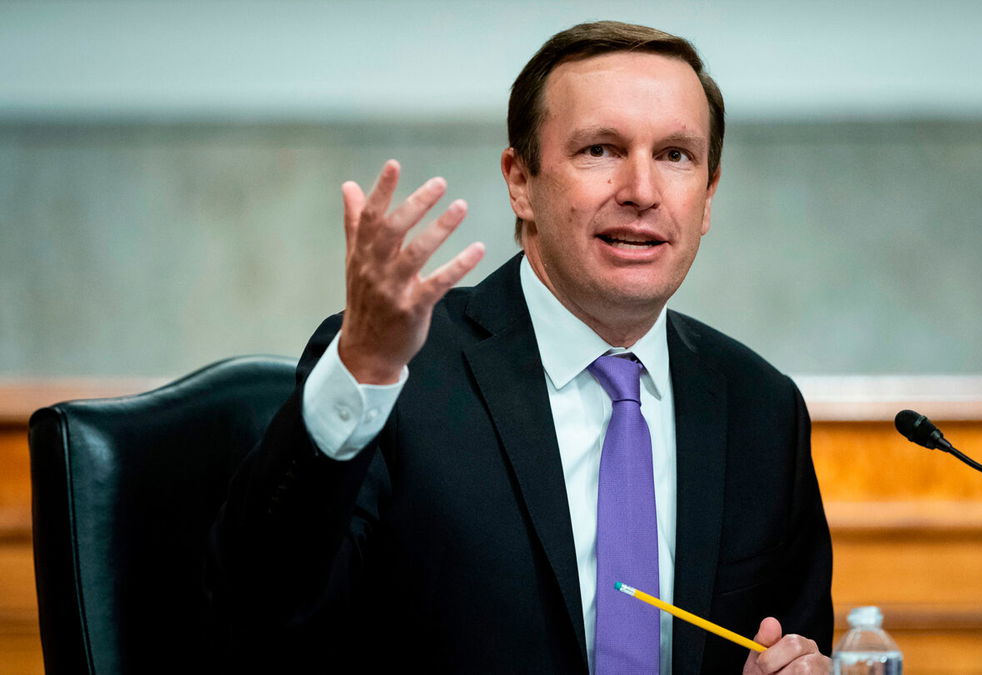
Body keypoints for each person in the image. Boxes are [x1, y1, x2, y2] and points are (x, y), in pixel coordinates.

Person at [207, 20, 832, 674]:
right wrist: (363, 365)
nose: (642, 191)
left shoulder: (762, 407)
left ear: (707, 195)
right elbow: (258, 613)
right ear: (520, 181)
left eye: (675, 155)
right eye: (600, 149)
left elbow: (798, 641)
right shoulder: (395, 367)